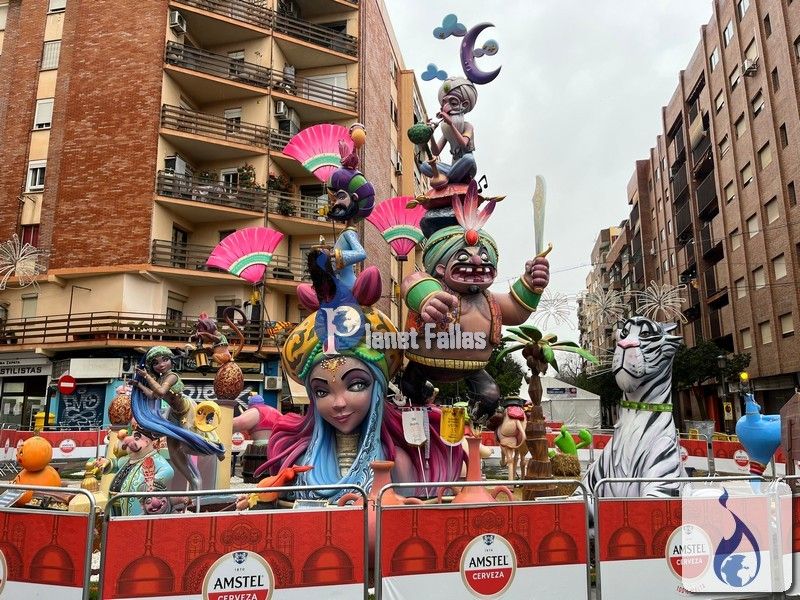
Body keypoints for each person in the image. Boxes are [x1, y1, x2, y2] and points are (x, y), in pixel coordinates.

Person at [257, 304, 463, 502]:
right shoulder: (299, 462)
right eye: (321, 391)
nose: (338, 403)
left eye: (356, 385)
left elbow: (408, 515)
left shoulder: (395, 462)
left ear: (377, 388)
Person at [132, 346, 224, 490]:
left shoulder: (172, 376)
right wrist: (139, 385)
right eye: (156, 363)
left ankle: (218, 449)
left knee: (193, 438)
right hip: (174, 413)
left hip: (186, 410)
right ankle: (193, 481)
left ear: (171, 361)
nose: (161, 364)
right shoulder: (160, 378)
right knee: (173, 450)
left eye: (165, 360)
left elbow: (161, 392)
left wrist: (146, 376)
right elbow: (153, 395)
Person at [418, 77, 478, 186]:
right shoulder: (447, 130)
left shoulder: (467, 126)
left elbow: (463, 144)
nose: (447, 108)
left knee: (469, 158)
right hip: (454, 168)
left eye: (453, 103)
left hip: (467, 166)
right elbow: (436, 152)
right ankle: (451, 179)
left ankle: (446, 179)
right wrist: (431, 134)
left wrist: (451, 124)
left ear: (464, 105)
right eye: (444, 104)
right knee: (424, 166)